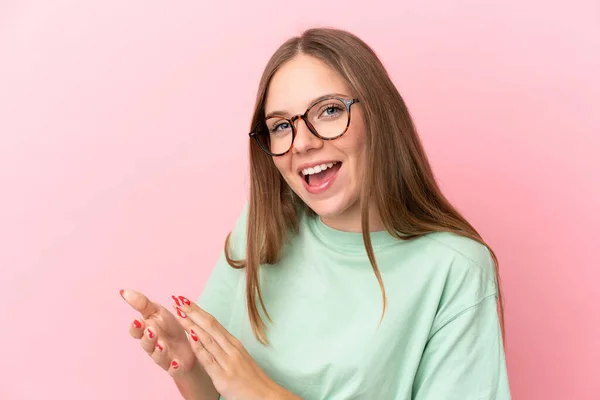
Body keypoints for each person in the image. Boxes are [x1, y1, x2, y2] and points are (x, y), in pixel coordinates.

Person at [120, 27, 511, 399]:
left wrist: (264, 393)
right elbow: (222, 392)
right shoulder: (263, 228)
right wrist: (189, 367)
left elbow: (247, 390)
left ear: (379, 116)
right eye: (280, 126)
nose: (301, 143)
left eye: (327, 111)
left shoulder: (455, 268)